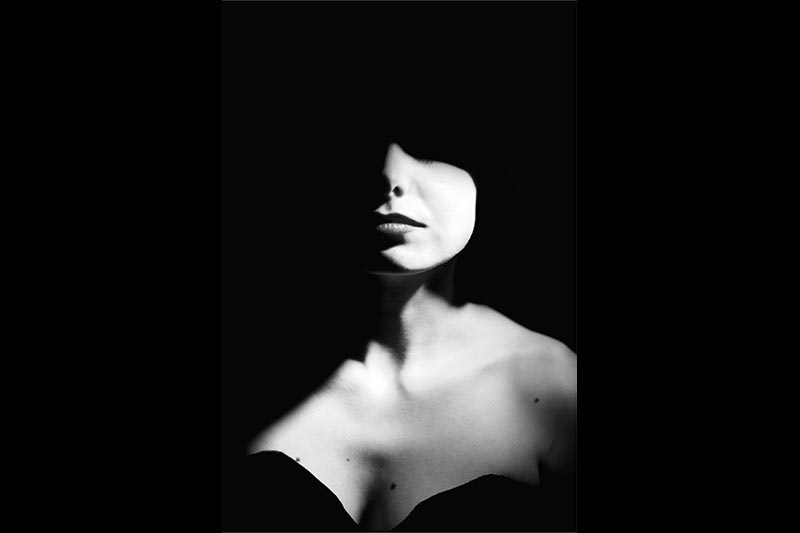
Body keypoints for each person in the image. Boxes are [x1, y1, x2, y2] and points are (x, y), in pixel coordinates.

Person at [224, 139, 577, 532]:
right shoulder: (241, 381)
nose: (390, 177)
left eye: (428, 145)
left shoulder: (554, 387)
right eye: (362, 145)